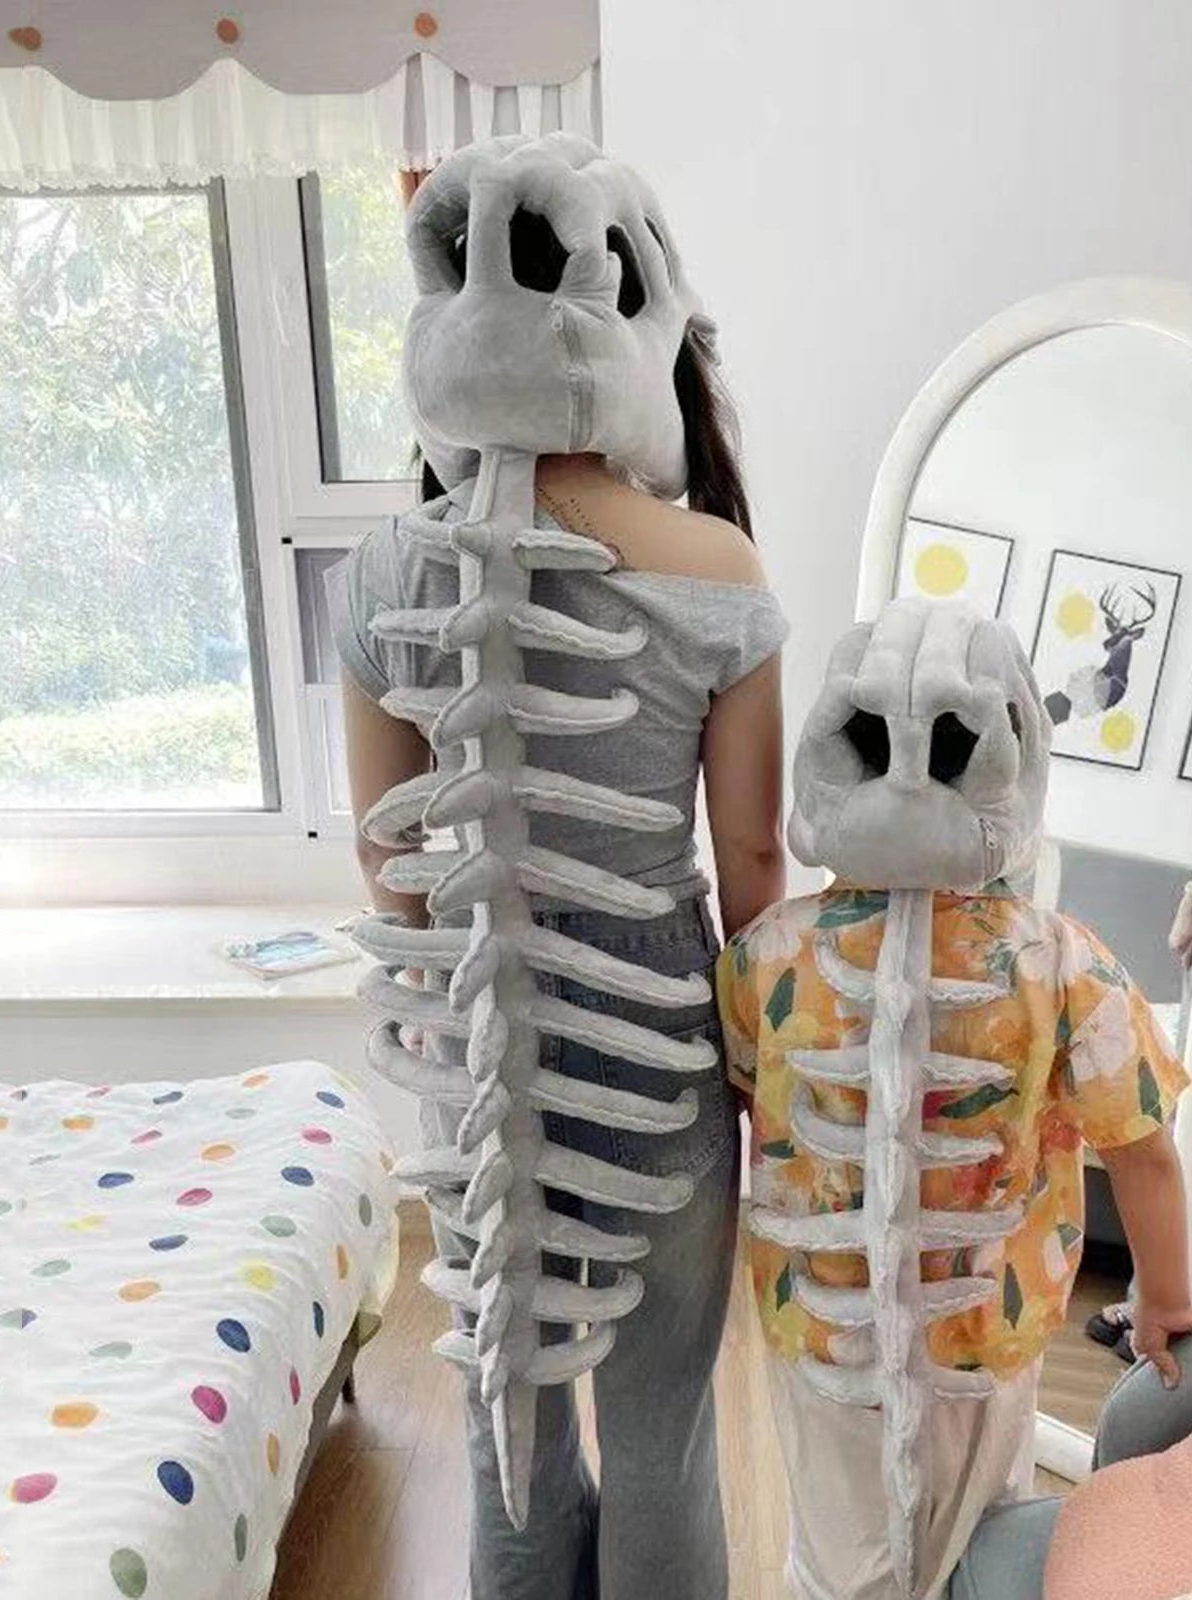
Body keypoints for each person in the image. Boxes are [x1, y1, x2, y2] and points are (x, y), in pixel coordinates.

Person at [332, 153, 787, 1599]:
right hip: (658, 1051)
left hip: (477, 1054)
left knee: (507, 1438)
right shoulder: (716, 569)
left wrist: (455, 1008)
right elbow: (754, 864)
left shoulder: (385, 570)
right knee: (661, 1437)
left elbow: (391, 858)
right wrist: (766, 1066)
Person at [715, 603, 1192, 1600]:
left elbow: (747, 1099)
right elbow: (1143, 1150)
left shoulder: (766, 954)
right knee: (980, 1548)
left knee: (836, 1554)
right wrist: (1162, 1298)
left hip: (823, 1325)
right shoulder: (1062, 963)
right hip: (984, 1338)